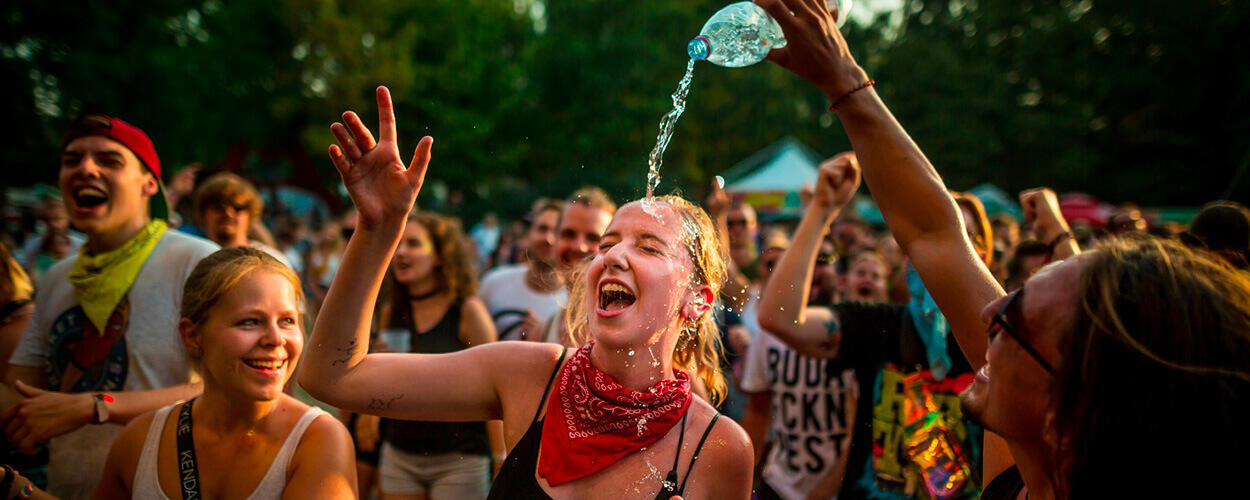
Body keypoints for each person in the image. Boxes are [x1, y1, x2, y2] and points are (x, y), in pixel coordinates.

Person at [759, 1, 1249, 496]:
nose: (991, 308)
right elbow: (935, 235)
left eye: (1018, 315)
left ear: (1074, 403)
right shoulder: (1018, 467)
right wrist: (843, 79)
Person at [299, 87, 752, 499]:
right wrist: (378, 230)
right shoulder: (528, 376)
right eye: (607, 244)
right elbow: (332, 378)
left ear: (698, 301)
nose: (612, 257)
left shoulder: (719, 447)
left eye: (649, 247)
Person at [4, 115, 217, 498]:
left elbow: (234, 388)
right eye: (72, 160)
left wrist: (97, 406)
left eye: (109, 160)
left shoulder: (198, 261)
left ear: (149, 184)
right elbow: (19, 397)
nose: (86, 168)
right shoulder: (57, 277)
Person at [759, 157, 983, 499]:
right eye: (926, 235)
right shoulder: (880, 326)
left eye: (959, 239)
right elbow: (778, 317)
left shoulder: (998, 344)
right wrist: (821, 210)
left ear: (983, 256)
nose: (940, 252)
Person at [93, 246, 356, 498]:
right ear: (193, 336)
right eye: (249, 322)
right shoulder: (141, 442)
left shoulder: (318, 441)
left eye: (287, 321)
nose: (276, 339)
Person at [366, 211, 502, 500]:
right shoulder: (392, 312)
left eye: (414, 243)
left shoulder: (467, 311)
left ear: (440, 255)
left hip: (459, 458)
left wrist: (501, 455)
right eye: (398, 243)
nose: (401, 252)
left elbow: (496, 390)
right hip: (400, 452)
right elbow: (382, 382)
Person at [479, 200, 567, 342]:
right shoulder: (493, 282)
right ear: (529, 234)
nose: (548, 238)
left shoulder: (575, 303)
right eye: (542, 229)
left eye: (558, 232)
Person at [543, 187, 616, 346]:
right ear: (554, 239)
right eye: (569, 234)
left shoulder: (624, 328)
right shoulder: (545, 329)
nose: (579, 246)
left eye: (593, 237)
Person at [192, 172, 290, 266]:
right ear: (203, 213)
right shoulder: (190, 257)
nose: (228, 213)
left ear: (250, 215)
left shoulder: (271, 260)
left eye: (237, 207)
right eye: (219, 206)